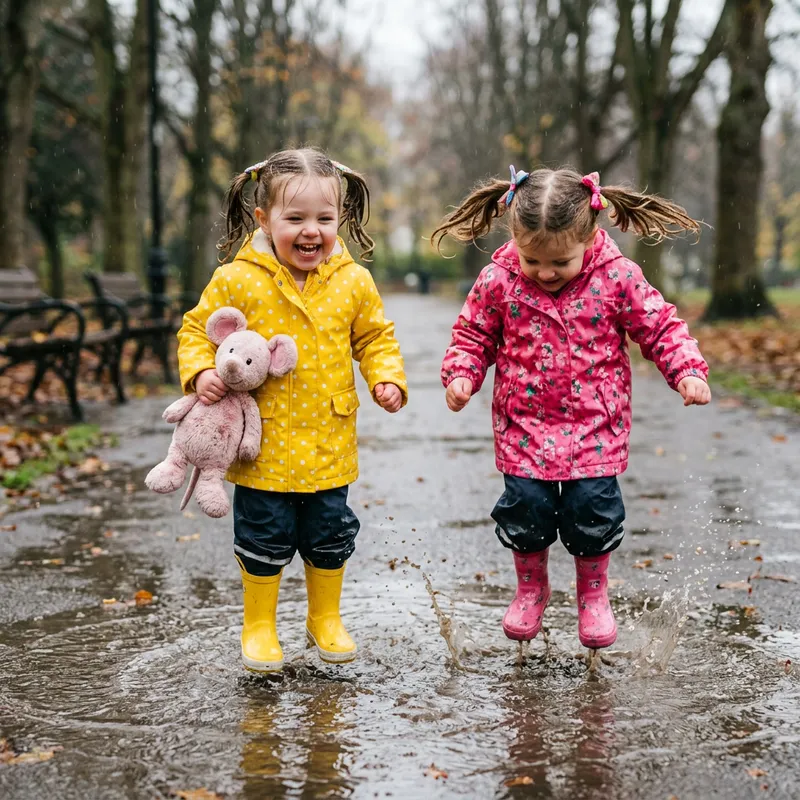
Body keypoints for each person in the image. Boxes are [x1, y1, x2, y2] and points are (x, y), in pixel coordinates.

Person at [435, 166, 710, 650]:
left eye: (560, 262)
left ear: (590, 237)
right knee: (526, 508)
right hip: (524, 426)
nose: (544, 272)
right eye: (532, 259)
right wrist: (462, 375)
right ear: (514, 239)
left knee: (593, 510)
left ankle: (593, 594)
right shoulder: (498, 281)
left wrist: (686, 368)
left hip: (595, 426)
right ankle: (531, 587)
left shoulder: (618, 277)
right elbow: (473, 335)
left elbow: (659, 325)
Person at [177, 148, 407, 672]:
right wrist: (202, 371)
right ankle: (259, 624)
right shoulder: (239, 278)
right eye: (296, 218)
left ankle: (325, 617)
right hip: (262, 445)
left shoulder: (352, 280)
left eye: (325, 219)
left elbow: (374, 337)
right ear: (264, 219)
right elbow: (196, 329)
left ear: (340, 219)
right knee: (262, 535)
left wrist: (386, 376)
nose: (312, 231)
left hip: (328, 439)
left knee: (330, 533)